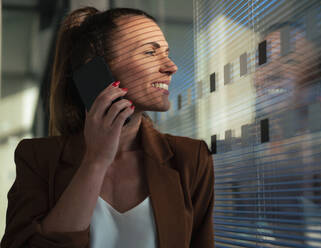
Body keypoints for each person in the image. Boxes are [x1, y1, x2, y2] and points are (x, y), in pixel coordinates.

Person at [1, 6, 215, 248]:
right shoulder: (38, 158)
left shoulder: (190, 159)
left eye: (166, 53)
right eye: (149, 53)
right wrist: (96, 160)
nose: (171, 67)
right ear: (96, 68)